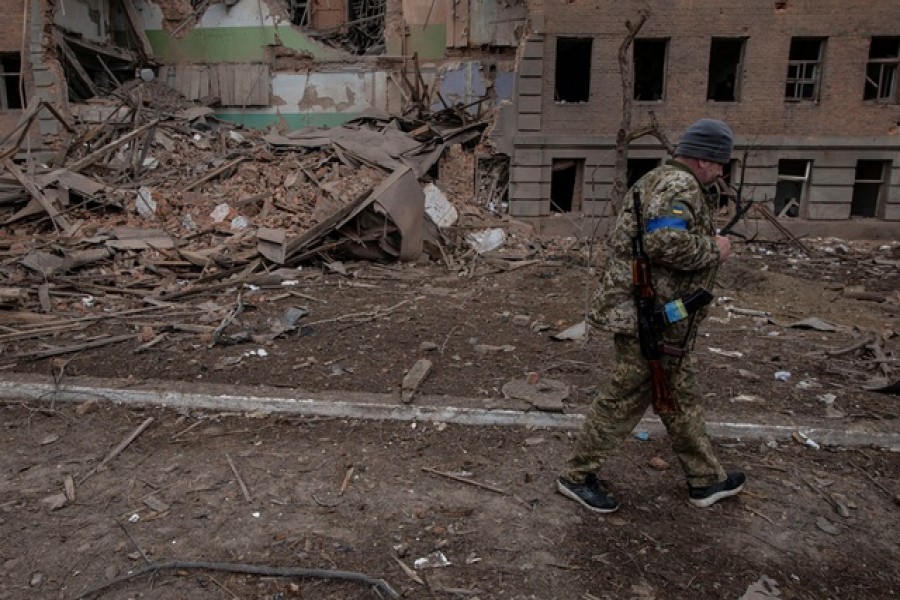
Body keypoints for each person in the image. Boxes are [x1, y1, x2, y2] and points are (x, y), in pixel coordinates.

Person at [557, 118, 745, 512]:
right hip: (649, 317)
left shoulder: (661, 181)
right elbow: (665, 242)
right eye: (719, 162)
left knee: (679, 396)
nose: (722, 170)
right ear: (704, 159)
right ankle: (576, 476)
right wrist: (716, 249)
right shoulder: (678, 185)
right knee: (624, 398)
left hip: (662, 317)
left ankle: (705, 480)